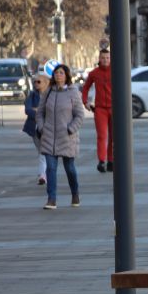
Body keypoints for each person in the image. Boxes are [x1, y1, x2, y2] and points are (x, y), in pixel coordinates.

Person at [36, 64, 84, 210]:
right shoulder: (48, 92)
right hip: (49, 136)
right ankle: (51, 199)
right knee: (50, 168)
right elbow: (40, 112)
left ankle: (75, 194)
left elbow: (79, 115)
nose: (58, 75)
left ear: (66, 75)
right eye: (56, 73)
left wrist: (71, 129)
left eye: (61, 73)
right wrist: (42, 127)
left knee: (69, 168)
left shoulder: (73, 92)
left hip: (67, 137)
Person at [81, 49, 113, 173]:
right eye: (103, 58)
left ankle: (111, 161)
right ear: (99, 59)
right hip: (100, 109)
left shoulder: (115, 70)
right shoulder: (94, 73)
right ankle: (101, 161)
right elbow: (85, 88)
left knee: (113, 137)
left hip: (114, 108)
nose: (105, 60)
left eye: (107, 58)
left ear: (110, 59)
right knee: (102, 136)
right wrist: (85, 102)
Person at [23, 73, 50, 185]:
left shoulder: (51, 95)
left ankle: (43, 175)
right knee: (42, 151)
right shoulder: (32, 95)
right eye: (34, 82)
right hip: (34, 129)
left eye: (38, 81)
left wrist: (37, 110)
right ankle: (43, 175)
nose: (36, 84)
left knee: (44, 152)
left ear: (45, 82)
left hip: (49, 128)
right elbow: (28, 110)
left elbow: (53, 110)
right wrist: (41, 112)